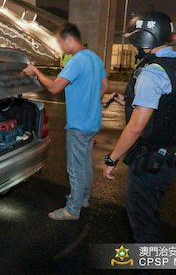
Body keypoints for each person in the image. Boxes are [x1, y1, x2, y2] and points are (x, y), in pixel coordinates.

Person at [102, 11, 176, 242]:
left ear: (147, 40)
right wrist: (127, 101)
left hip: (151, 161)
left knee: (143, 225)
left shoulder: (153, 72)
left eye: (137, 42)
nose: (136, 48)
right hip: (172, 155)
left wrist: (112, 159)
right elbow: (169, 105)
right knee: (151, 214)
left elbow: (136, 127)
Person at [21, 23, 109, 220]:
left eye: (61, 43)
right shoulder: (94, 58)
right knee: (84, 162)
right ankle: (82, 199)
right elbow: (105, 85)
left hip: (79, 124)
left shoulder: (76, 60)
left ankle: (72, 210)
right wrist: (89, 100)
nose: (61, 48)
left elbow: (54, 88)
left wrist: (35, 71)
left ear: (70, 40)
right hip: (92, 121)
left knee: (76, 167)